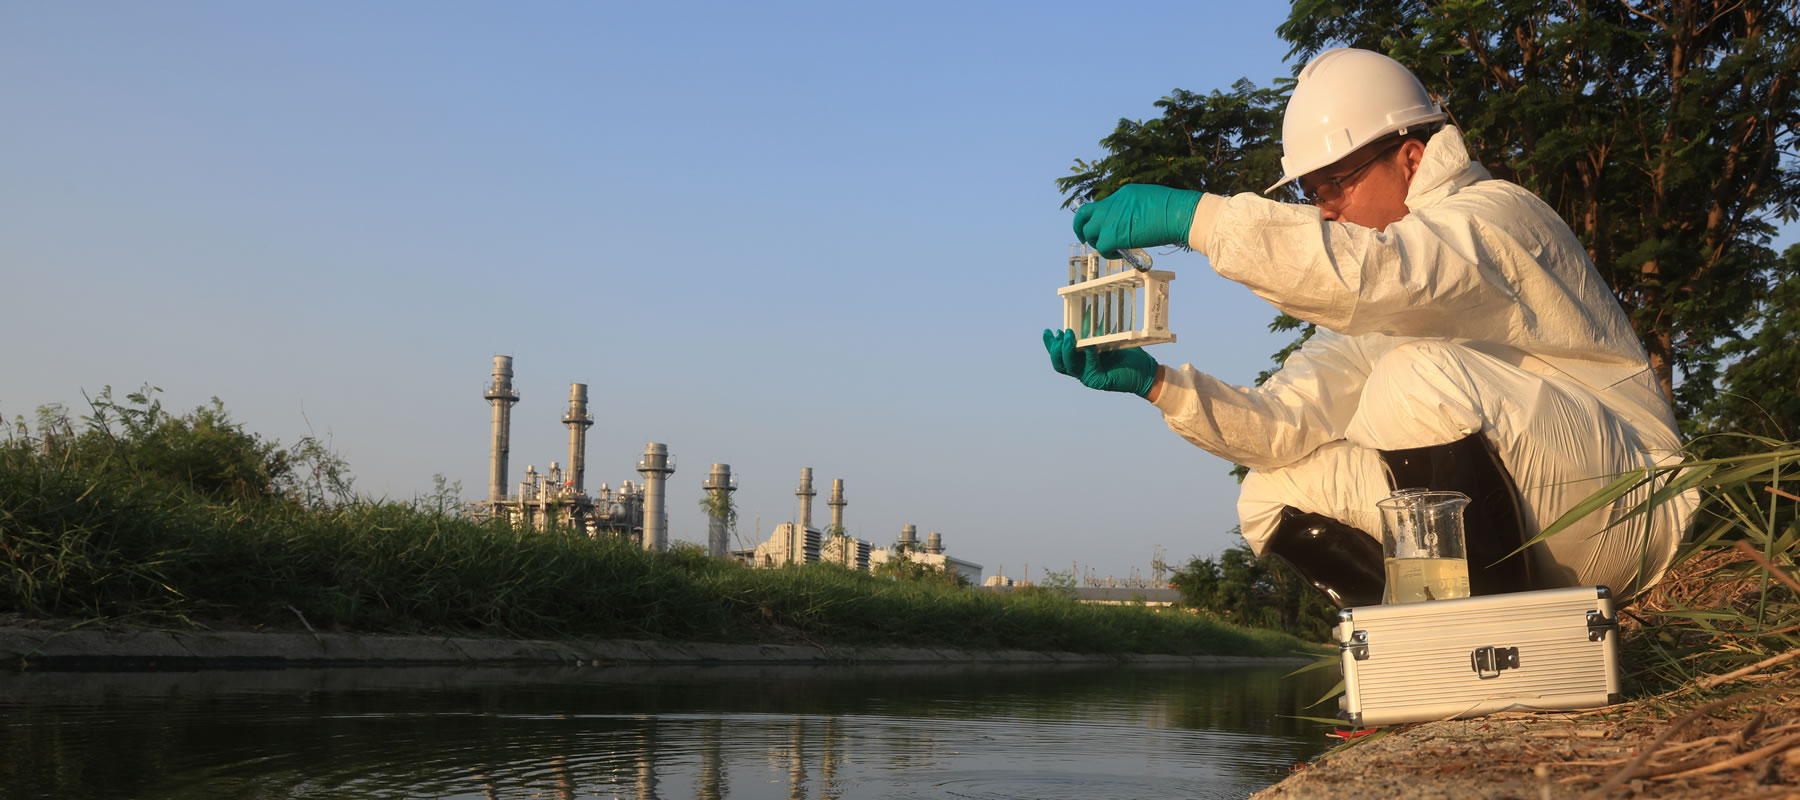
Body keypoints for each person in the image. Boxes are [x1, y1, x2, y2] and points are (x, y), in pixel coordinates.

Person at [1046, 48, 1695, 606]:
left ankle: (1494, 650)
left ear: (1410, 158)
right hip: (1542, 516)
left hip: (1632, 504)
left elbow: (1376, 275)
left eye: (1336, 184)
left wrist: (1202, 219)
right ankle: (1413, 649)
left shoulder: (1497, 219)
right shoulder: (1387, 296)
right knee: (1272, 490)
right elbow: (1284, 425)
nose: (1326, 211)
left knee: (1412, 380)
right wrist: (1160, 385)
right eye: (1313, 193)